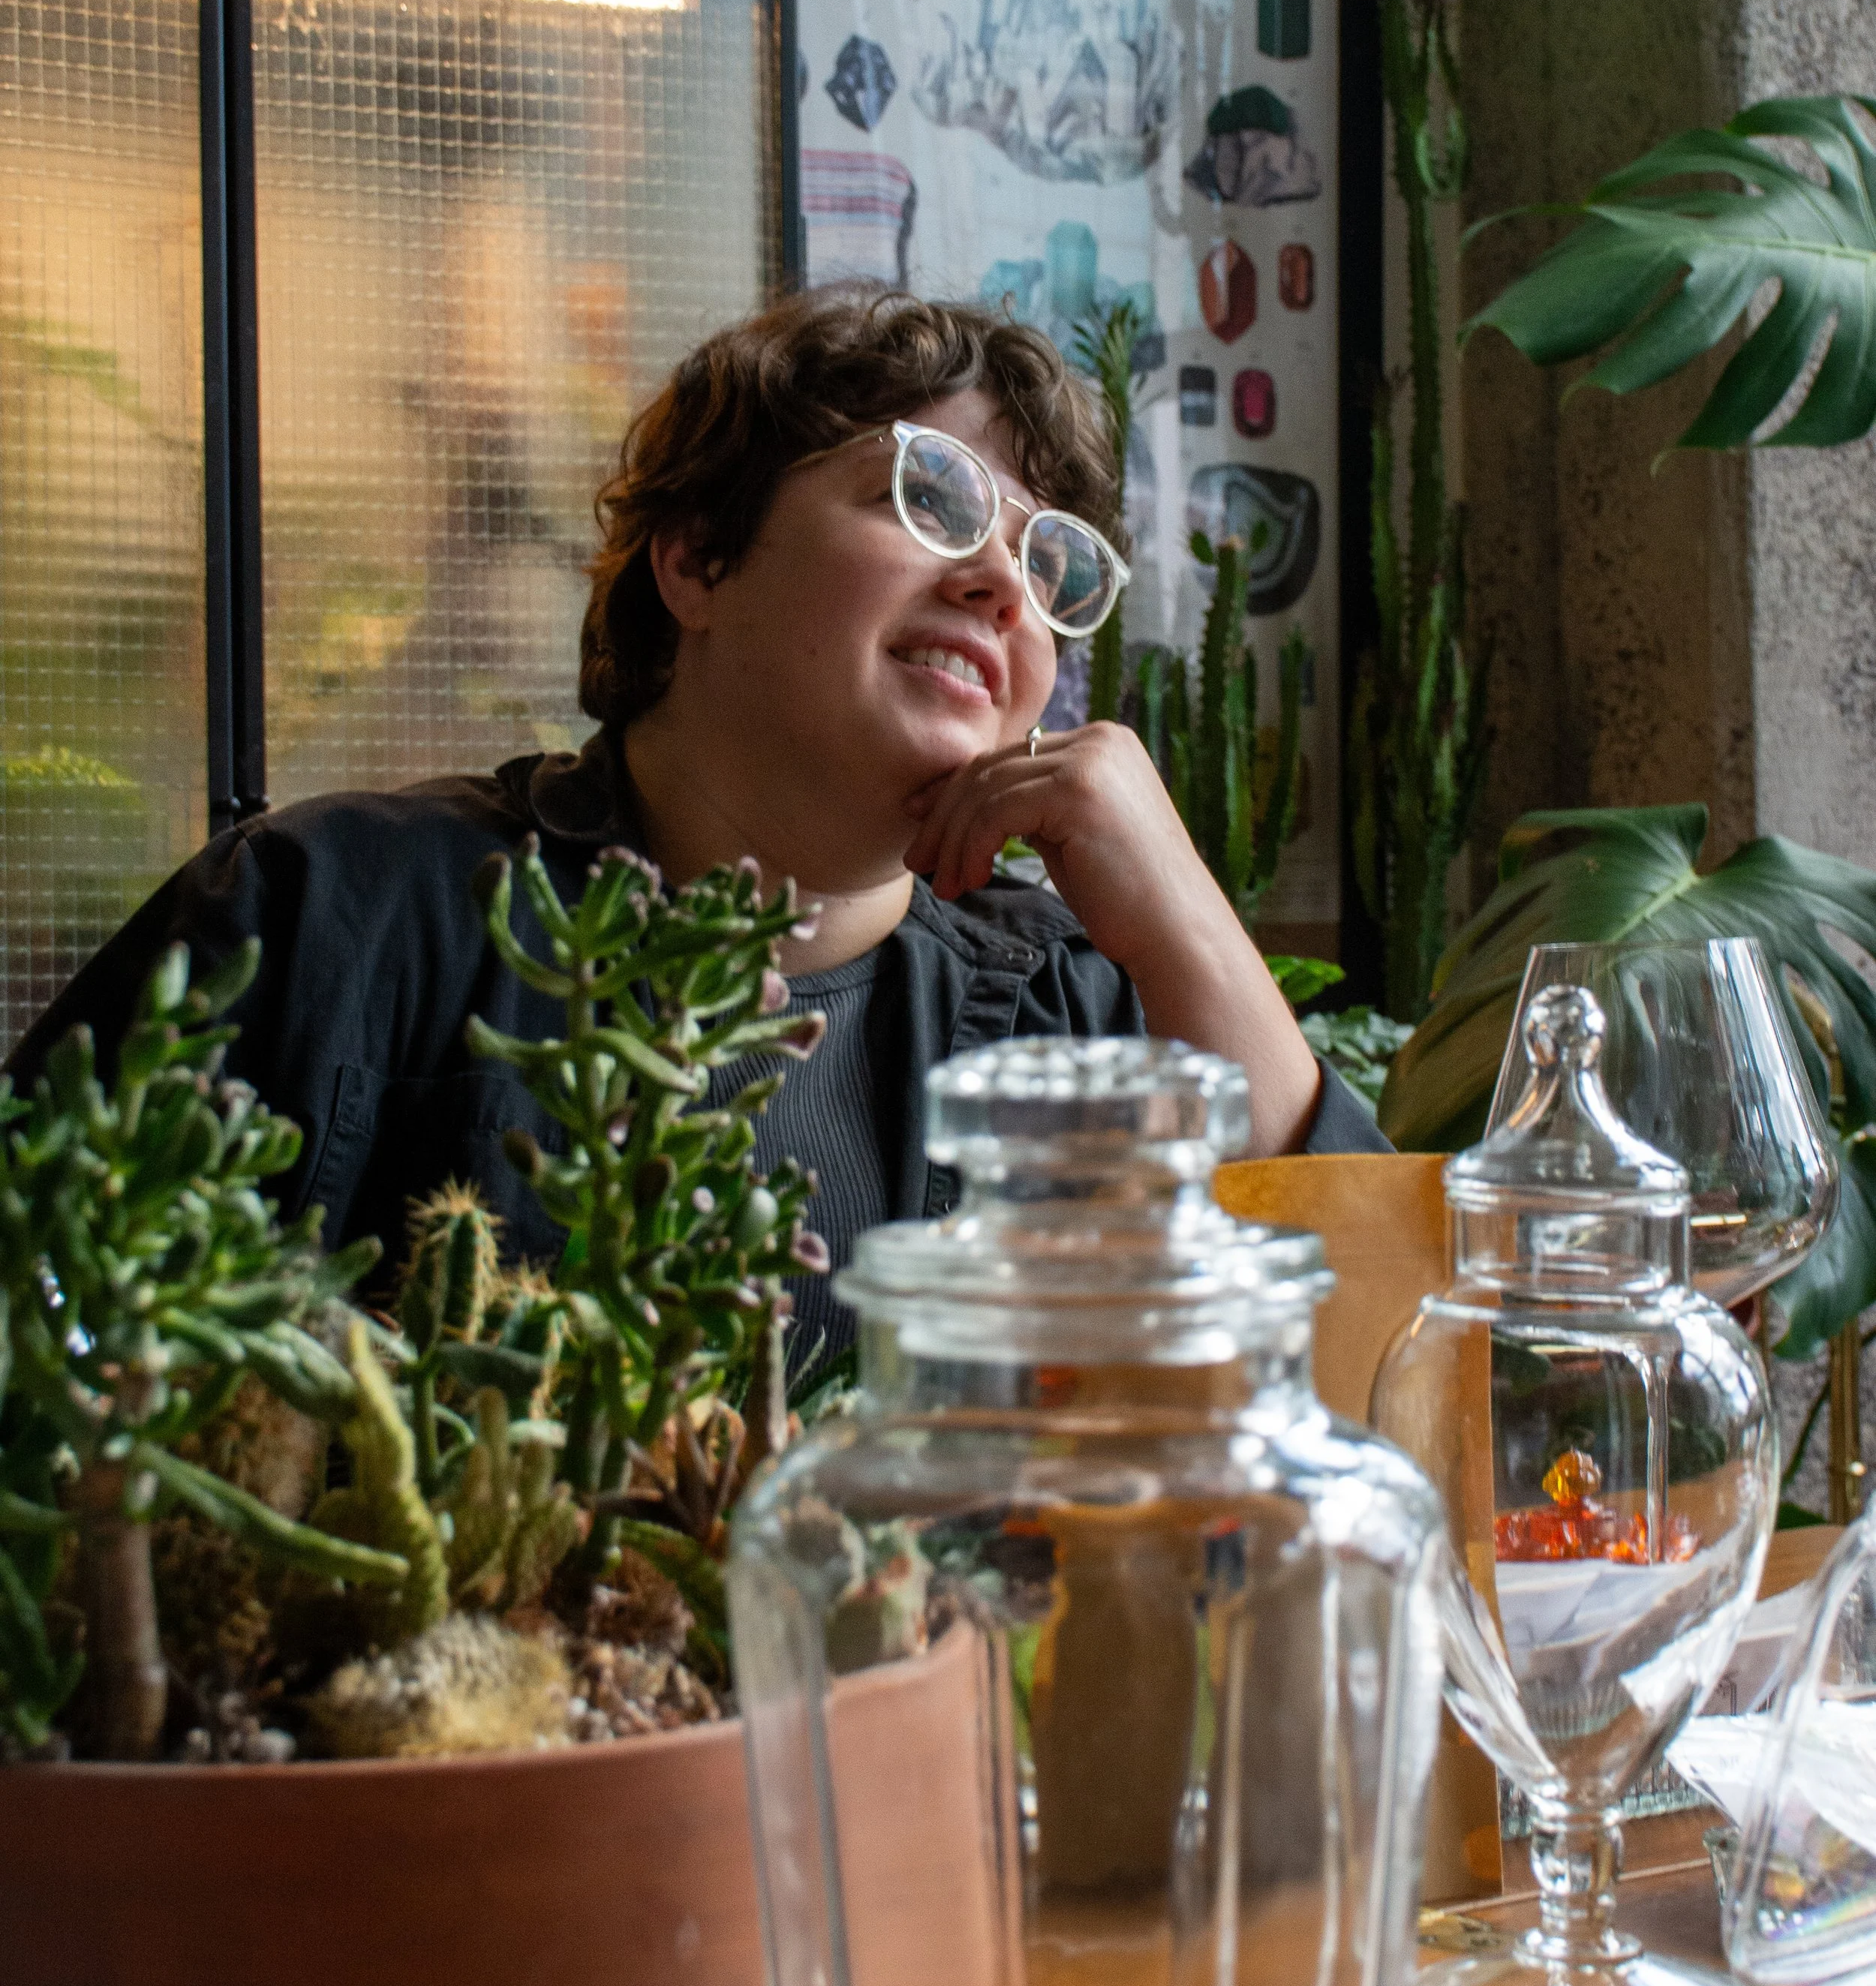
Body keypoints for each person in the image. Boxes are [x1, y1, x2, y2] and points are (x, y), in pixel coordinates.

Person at [5, 287, 1385, 1369]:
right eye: (935, 498)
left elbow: (1384, 1375)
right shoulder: (326, 917)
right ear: (696, 559)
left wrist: (1190, 920)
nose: (1001, 587)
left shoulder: (1075, 1008)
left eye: (1049, 561)